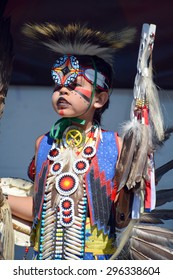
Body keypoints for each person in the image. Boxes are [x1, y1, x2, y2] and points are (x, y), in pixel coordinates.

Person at [0, 23, 166, 260]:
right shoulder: (44, 144)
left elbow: (122, 216)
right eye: (58, 86)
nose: (62, 92)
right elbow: (39, 209)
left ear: (100, 99)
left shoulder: (115, 145)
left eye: (73, 85)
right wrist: (3, 199)